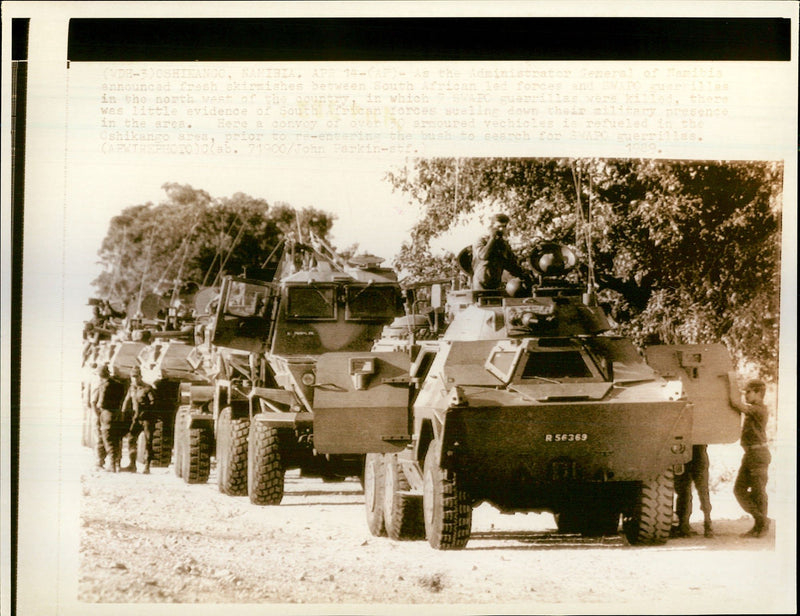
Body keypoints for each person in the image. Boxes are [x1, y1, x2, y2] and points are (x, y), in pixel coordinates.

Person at [727, 373, 771, 538]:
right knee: (741, 490)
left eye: (748, 392)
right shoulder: (756, 409)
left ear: (758, 393)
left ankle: (761, 524)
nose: (746, 395)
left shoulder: (759, 410)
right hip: (752, 453)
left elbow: (736, 403)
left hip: (757, 454)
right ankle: (760, 523)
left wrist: (731, 380)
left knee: (758, 492)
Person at [471, 213, 527, 291]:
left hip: (495, 284)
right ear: (491, 227)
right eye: (498, 226)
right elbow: (483, 256)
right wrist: (492, 239)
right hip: (481, 285)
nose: (501, 229)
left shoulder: (504, 244)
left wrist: (524, 275)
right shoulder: (482, 240)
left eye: (504, 226)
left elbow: (511, 265)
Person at [120, 365, 157, 474]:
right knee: (131, 439)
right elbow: (126, 401)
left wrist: (147, 412)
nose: (135, 379)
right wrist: (123, 414)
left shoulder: (147, 388)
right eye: (132, 377)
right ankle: (132, 465)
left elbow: (154, 403)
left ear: (140, 376)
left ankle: (147, 466)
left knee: (148, 441)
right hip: (135, 419)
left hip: (146, 419)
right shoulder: (132, 388)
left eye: (136, 376)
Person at [672, 444, 713, 538]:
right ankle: (708, 525)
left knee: (684, 492)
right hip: (700, 453)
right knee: (703, 491)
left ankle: (684, 526)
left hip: (682, 454)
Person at [94, 364, 126, 472]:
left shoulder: (104, 385)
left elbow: (100, 403)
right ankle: (117, 463)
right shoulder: (119, 384)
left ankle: (111, 465)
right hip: (117, 413)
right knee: (116, 439)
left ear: (100, 374)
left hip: (106, 414)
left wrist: (98, 411)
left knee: (107, 439)